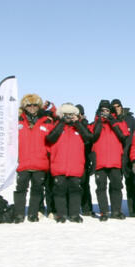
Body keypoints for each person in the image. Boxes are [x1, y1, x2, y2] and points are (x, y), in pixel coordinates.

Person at [46, 103, 93, 223]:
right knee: (59, 191)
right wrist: (61, 122)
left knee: (75, 192)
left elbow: (88, 137)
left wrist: (77, 122)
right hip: (59, 165)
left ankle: (74, 214)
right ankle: (61, 214)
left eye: (70, 115)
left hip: (75, 166)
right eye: (66, 115)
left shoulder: (79, 128)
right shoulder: (56, 126)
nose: (68, 117)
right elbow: (50, 138)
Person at [14, 93, 54, 223]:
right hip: (23, 162)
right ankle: (19, 213)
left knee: (37, 190)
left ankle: (33, 213)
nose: (32, 107)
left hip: (40, 162)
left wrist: (46, 153)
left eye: (35, 105)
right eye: (29, 105)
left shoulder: (47, 121)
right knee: (20, 189)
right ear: (24, 107)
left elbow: (51, 141)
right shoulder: (18, 120)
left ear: (39, 106)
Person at [91, 99, 129, 221]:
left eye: (107, 110)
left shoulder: (118, 122)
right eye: (103, 110)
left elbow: (124, 135)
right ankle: (104, 212)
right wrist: (99, 120)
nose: (105, 113)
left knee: (117, 187)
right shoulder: (94, 124)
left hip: (115, 161)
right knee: (101, 187)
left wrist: (112, 121)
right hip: (100, 161)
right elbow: (92, 135)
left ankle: (116, 211)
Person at [113, 99, 135, 217]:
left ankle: (134, 209)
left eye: (118, 106)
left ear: (121, 106)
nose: (116, 108)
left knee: (131, 184)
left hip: (128, 156)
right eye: (113, 107)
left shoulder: (130, 119)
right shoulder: (111, 120)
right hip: (116, 157)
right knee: (116, 185)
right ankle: (116, 210)